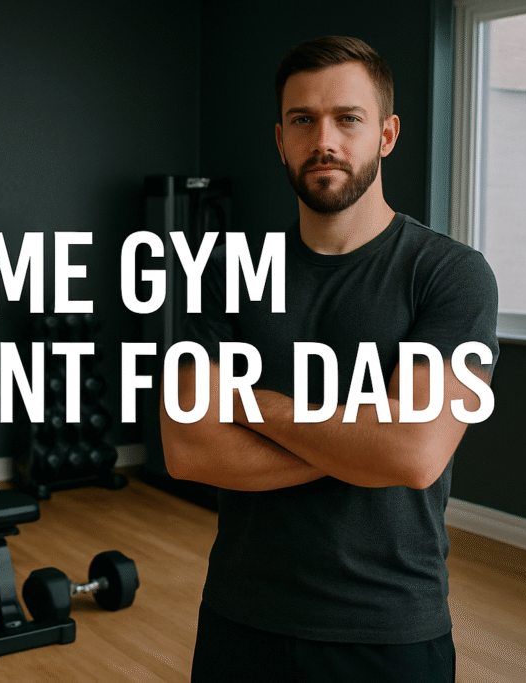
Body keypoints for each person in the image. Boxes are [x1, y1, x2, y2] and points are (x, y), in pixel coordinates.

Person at [160, 36, 499, 682]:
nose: (325, 140)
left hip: (387, 631)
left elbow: (414, 453)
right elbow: (187, 448)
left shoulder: (451, 275)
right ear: (280, 140)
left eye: (348, 118)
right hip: (241, 620)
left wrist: (242, 400)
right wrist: (365, 441)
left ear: (388, 134)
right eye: (302, 120)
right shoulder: (229, 274)